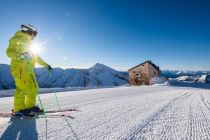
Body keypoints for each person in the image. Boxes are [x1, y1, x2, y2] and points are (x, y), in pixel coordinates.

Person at [6, 24, 53, 116]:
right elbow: (9, 51)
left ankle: (30, 106)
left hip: (29, 70)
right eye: (34, 34)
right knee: (22, 89)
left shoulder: (29, 44)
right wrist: (20, 56)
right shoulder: (16, 39)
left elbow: (35, 57)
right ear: (28, 31)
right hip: (19, 68)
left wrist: (46, 65)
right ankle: (18, 109)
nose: (34, 36)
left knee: (34, 88)